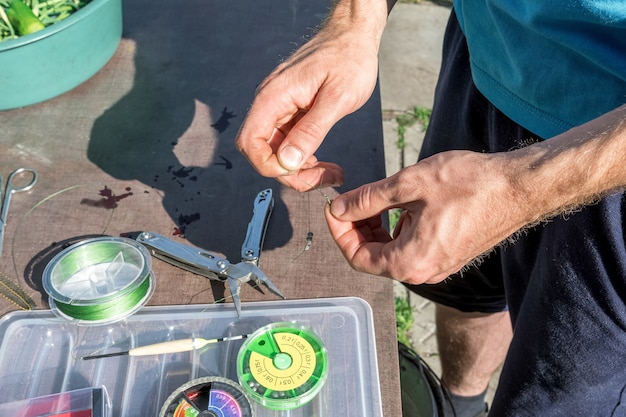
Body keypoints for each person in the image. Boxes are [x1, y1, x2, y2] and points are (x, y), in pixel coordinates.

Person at [235, 0, 626, 415]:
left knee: (553, 396)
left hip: (610, 151)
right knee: (465, 289)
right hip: (487, 46)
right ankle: (460, 402)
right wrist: (356, 22)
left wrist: (516, 190)